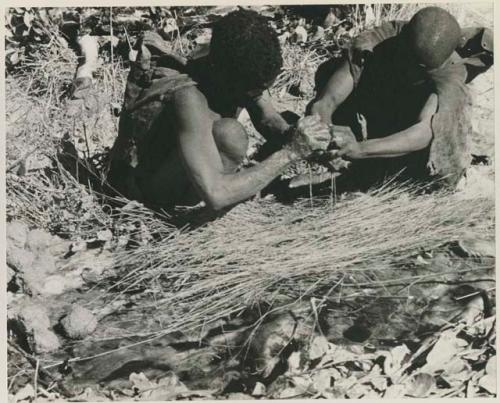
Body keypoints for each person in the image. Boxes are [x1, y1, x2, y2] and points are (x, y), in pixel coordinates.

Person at [105, 9, 331, 211]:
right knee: (230, 135)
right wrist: (291, 153)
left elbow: (267, 116)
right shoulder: (188, 98)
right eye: (254, 91)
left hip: (181, 158)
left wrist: (309, 141)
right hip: (143, 187)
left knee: (263, 127)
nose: (258, 96)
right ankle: (180, 211)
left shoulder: (225, 60)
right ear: (229, 80)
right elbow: (216, 195)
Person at [308, 6, 493, 191]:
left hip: (409, 113)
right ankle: (350, 164)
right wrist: (325, 132)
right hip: (380, 95)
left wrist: (360, 150)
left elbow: (424, 130)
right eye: (407, 60)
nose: (409, 71)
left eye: (419, 68)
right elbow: (327, 100)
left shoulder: (450, 73)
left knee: (441, 143)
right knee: (330, 70)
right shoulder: (382, 39)